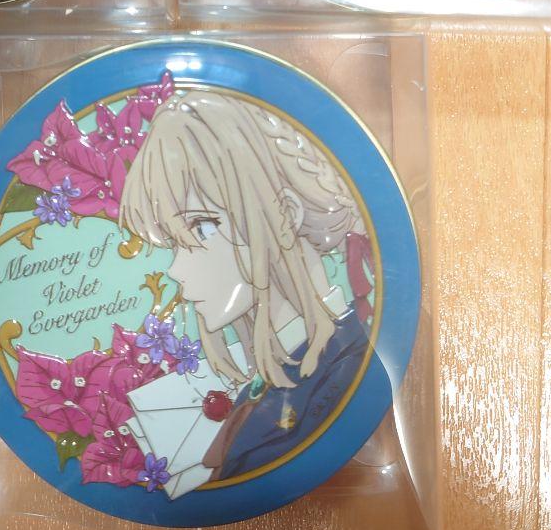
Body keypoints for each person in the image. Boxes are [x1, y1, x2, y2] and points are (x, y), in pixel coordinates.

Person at [118, 90, 378, 481]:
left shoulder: (342, 372)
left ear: (285, 214)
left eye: (201, 227)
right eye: (174, 242)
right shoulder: (275, 378)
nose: (174, 269)